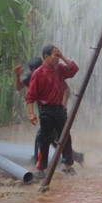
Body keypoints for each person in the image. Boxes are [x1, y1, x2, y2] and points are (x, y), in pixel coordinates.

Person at [14, 57, 84, 167]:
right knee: (53, 140)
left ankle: (40, 162)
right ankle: (76, 157)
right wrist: (17, 75)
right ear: (32, 70)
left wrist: (64, 104)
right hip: (47, 113)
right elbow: (19, 87)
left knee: (49, 138)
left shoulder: (51, 73)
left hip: (55, 113)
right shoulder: (31, 76)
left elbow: (67, 89)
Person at [26, 45, 79, 179]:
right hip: (46, 111)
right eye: (55, 55)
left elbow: (74, 69)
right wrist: (31, 113)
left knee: (65, 137)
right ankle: (41, 168)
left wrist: (62, 57)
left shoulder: (60, 69)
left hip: (59, 109)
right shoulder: (38, 73)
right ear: (46, 57)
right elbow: (31, 96)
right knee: (44, 139)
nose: (58, 58)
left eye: (58, 55)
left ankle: (68, 165)